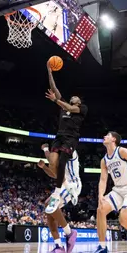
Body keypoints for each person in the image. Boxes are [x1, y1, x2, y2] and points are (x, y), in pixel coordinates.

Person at [43, 61, 87, 215]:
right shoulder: (63, 105)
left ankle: (59, 190)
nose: (73, 97)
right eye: (72, 96)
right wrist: (50, 71)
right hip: (60, 136)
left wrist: (55, 100)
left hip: (71, 138)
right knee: (53, 162)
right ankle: (67, 186)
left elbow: (69, 108)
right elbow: (54, 88)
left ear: (79, 102)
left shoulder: (81, 108)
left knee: (62, 160)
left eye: (76, 97)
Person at [38, 146, 81, 253]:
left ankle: (69, 232)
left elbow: (52, 160)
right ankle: (58, 245)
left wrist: (46, 150)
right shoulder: (59, 156)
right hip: (63, 185)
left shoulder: (71, 151)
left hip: (73, 184)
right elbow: (54, 174)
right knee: (49, 209)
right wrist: (44, 166)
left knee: (49, 204)